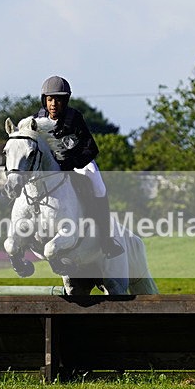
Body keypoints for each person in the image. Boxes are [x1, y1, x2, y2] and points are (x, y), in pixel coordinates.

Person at [35, 75, 124, 259]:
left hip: (78, 163)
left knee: (99, 187)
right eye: (50, 99)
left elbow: (91, 148)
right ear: (45, 100)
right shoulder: (38, 119)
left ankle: (107, 240)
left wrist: (73, 162)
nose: (53, 104)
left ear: (65, 101)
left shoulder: (74, 117)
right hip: (50, 170)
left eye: (58, 99)